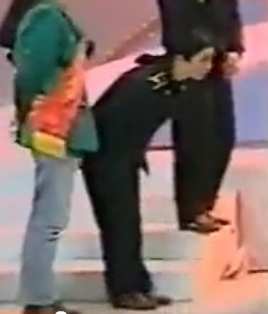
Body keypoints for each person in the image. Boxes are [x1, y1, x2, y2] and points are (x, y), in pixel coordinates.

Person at [82, 34, 215, 310]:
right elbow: (110, 124)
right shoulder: (143, 85)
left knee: (129, 224)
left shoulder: (171, 82)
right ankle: (124, 290)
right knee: (119, 225)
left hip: (122, 158)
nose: (208, 66)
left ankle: (139, 286)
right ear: (181, 58)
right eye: (203, 59)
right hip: (106, 159)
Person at [11, 0, 97, 314]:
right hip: (53, 128)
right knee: (48, 218)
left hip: (59, 126)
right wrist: (34, 116)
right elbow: (31, 74)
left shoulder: (52, 15)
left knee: (51, 217)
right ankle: (38, 301)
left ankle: (41, 298)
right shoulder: (45, 18)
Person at [154, 0, 244, 233]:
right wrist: (201, 51)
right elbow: (179, 22)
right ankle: (191, 210)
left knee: (222, 137)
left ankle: (206, 203)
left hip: (218, 69)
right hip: (190, 70)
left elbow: (231, 13)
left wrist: (232, 49)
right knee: (195, 141)